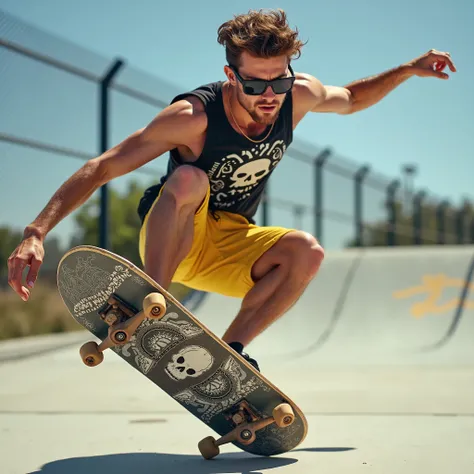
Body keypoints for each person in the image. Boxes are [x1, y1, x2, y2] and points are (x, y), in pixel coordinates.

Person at [7, 9, 455, 371]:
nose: (269, 96)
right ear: (230, 74)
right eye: (254, 84)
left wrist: (408, 70)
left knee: (308, 251)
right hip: (175, 234)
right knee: (189, 178)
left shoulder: (298, 94)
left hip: (230, 243)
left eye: (278, 82)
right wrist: (36, 231)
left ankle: (233, 353)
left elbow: (353, 100)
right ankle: (154, 299)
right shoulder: (191, 117)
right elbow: (103, 167)